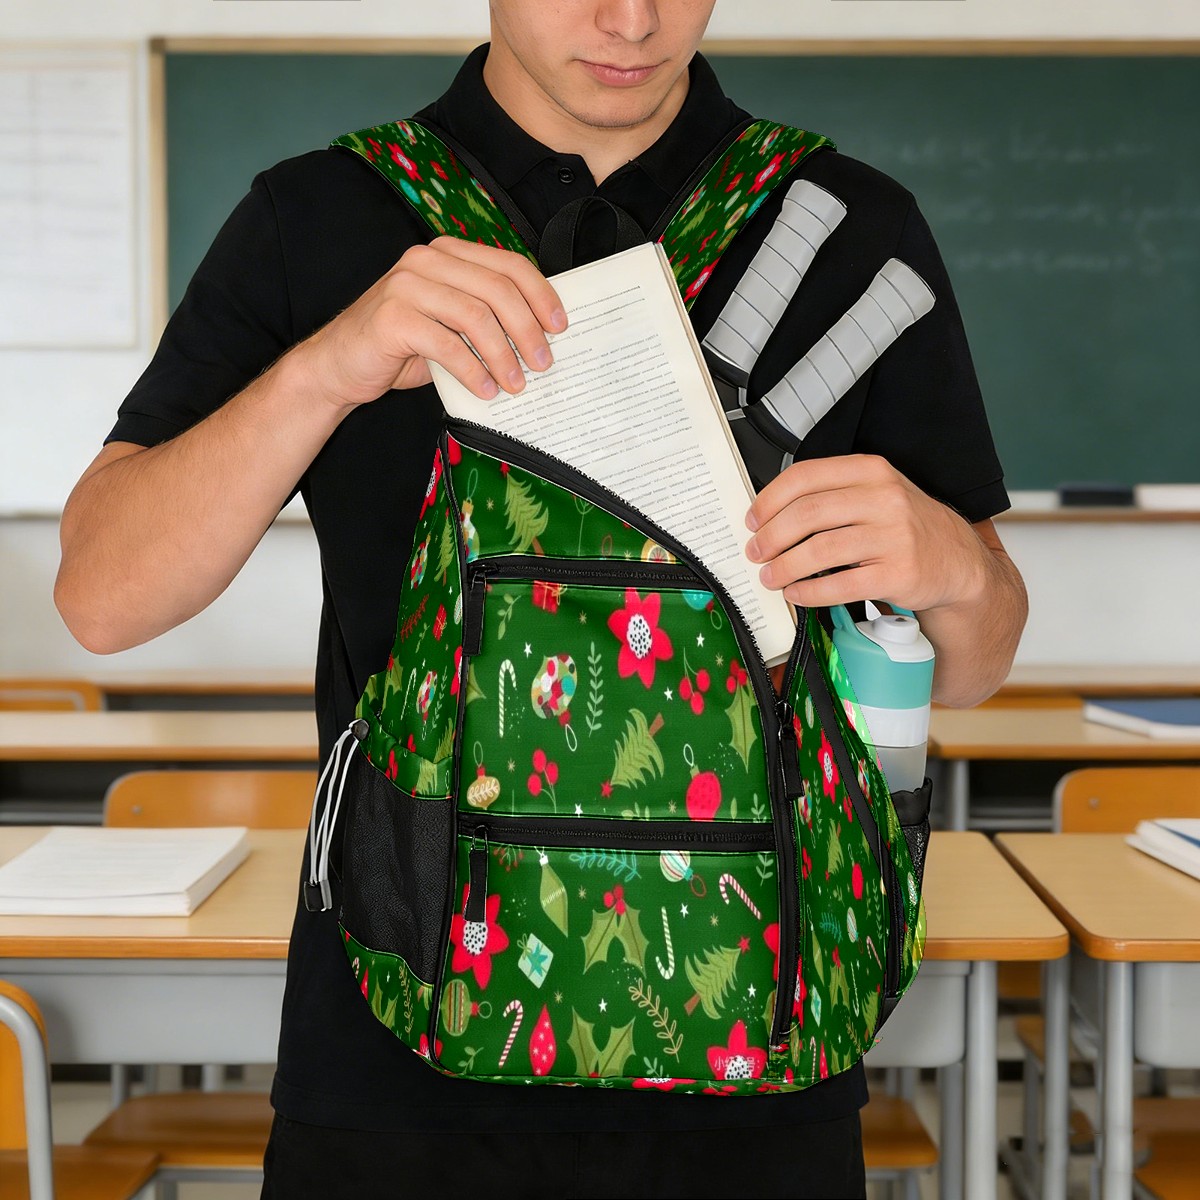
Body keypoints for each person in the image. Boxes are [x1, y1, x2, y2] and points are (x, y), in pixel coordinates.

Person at [56, 3, 1028, 1196]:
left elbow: (978, 662)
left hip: (763, 1063)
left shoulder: (848, 230)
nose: (632, 18)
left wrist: (954, 563)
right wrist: (326, 368)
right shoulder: (318, 219)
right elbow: (101, 597)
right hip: (395, 1072)